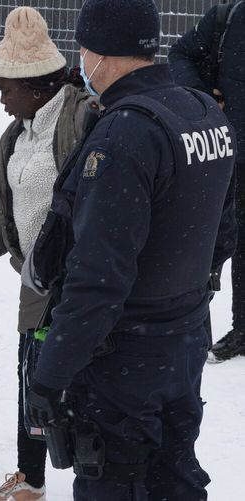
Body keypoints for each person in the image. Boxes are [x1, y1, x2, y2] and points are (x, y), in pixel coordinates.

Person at [22, 0, 236, 499]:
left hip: (126, 358)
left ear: (97, 51)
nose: (81, 63)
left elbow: (98, 279)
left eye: (83, 50)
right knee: (174, 474)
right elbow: (225, 228)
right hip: (181, 340)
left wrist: (49, 376)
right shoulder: (202, 111)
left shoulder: (124, 134)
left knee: (117, 479)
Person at [0, 7, 96, 501]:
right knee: (32, 380)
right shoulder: (19, 133)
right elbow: (19, 212)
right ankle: (31, 479)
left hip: (77, 284)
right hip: (36, 285)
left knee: (74, 386)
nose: (2, 103)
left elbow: (90, 204)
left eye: (4, 92)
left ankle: (93, 480)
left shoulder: (79, 121)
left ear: (33, 85)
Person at [169, 1, 245, 362]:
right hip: (229, 154)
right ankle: (238, 328)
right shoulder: (228, 19)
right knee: (219, 241)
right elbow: (180, 53)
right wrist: (202, 96)